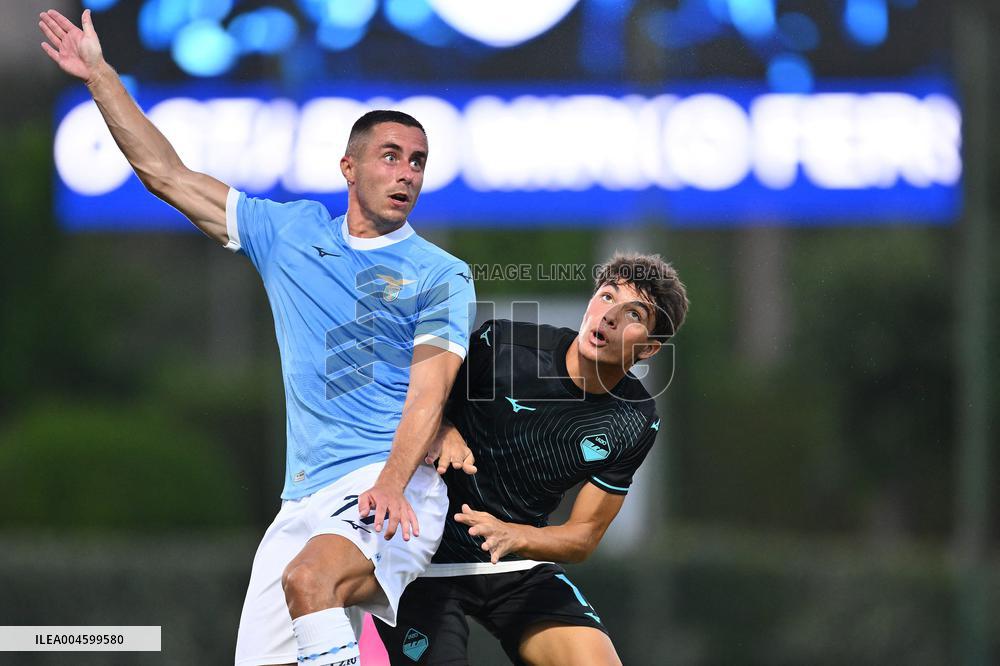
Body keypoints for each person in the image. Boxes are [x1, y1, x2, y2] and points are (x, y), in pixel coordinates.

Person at [39, 10, 476, 666]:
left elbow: (430, 393)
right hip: (300, 501)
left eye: (417, 161)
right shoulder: (290, 235)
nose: (407, 173)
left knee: (311, 581)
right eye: (391, 156)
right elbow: (167, 176)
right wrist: (100, 76)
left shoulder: (440, 273)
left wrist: (390, 481)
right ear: (348, 168)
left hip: (391, 493)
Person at [375, 252, 688, 665]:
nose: (610, 316)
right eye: (607, 296)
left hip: (516, 566)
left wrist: (515, 535)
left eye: (633, 314)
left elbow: (582, 537)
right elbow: (396, 391)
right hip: (422, 560)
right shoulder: (504, 346)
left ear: (647, 349)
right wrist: (440, 428)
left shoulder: (636, 418)